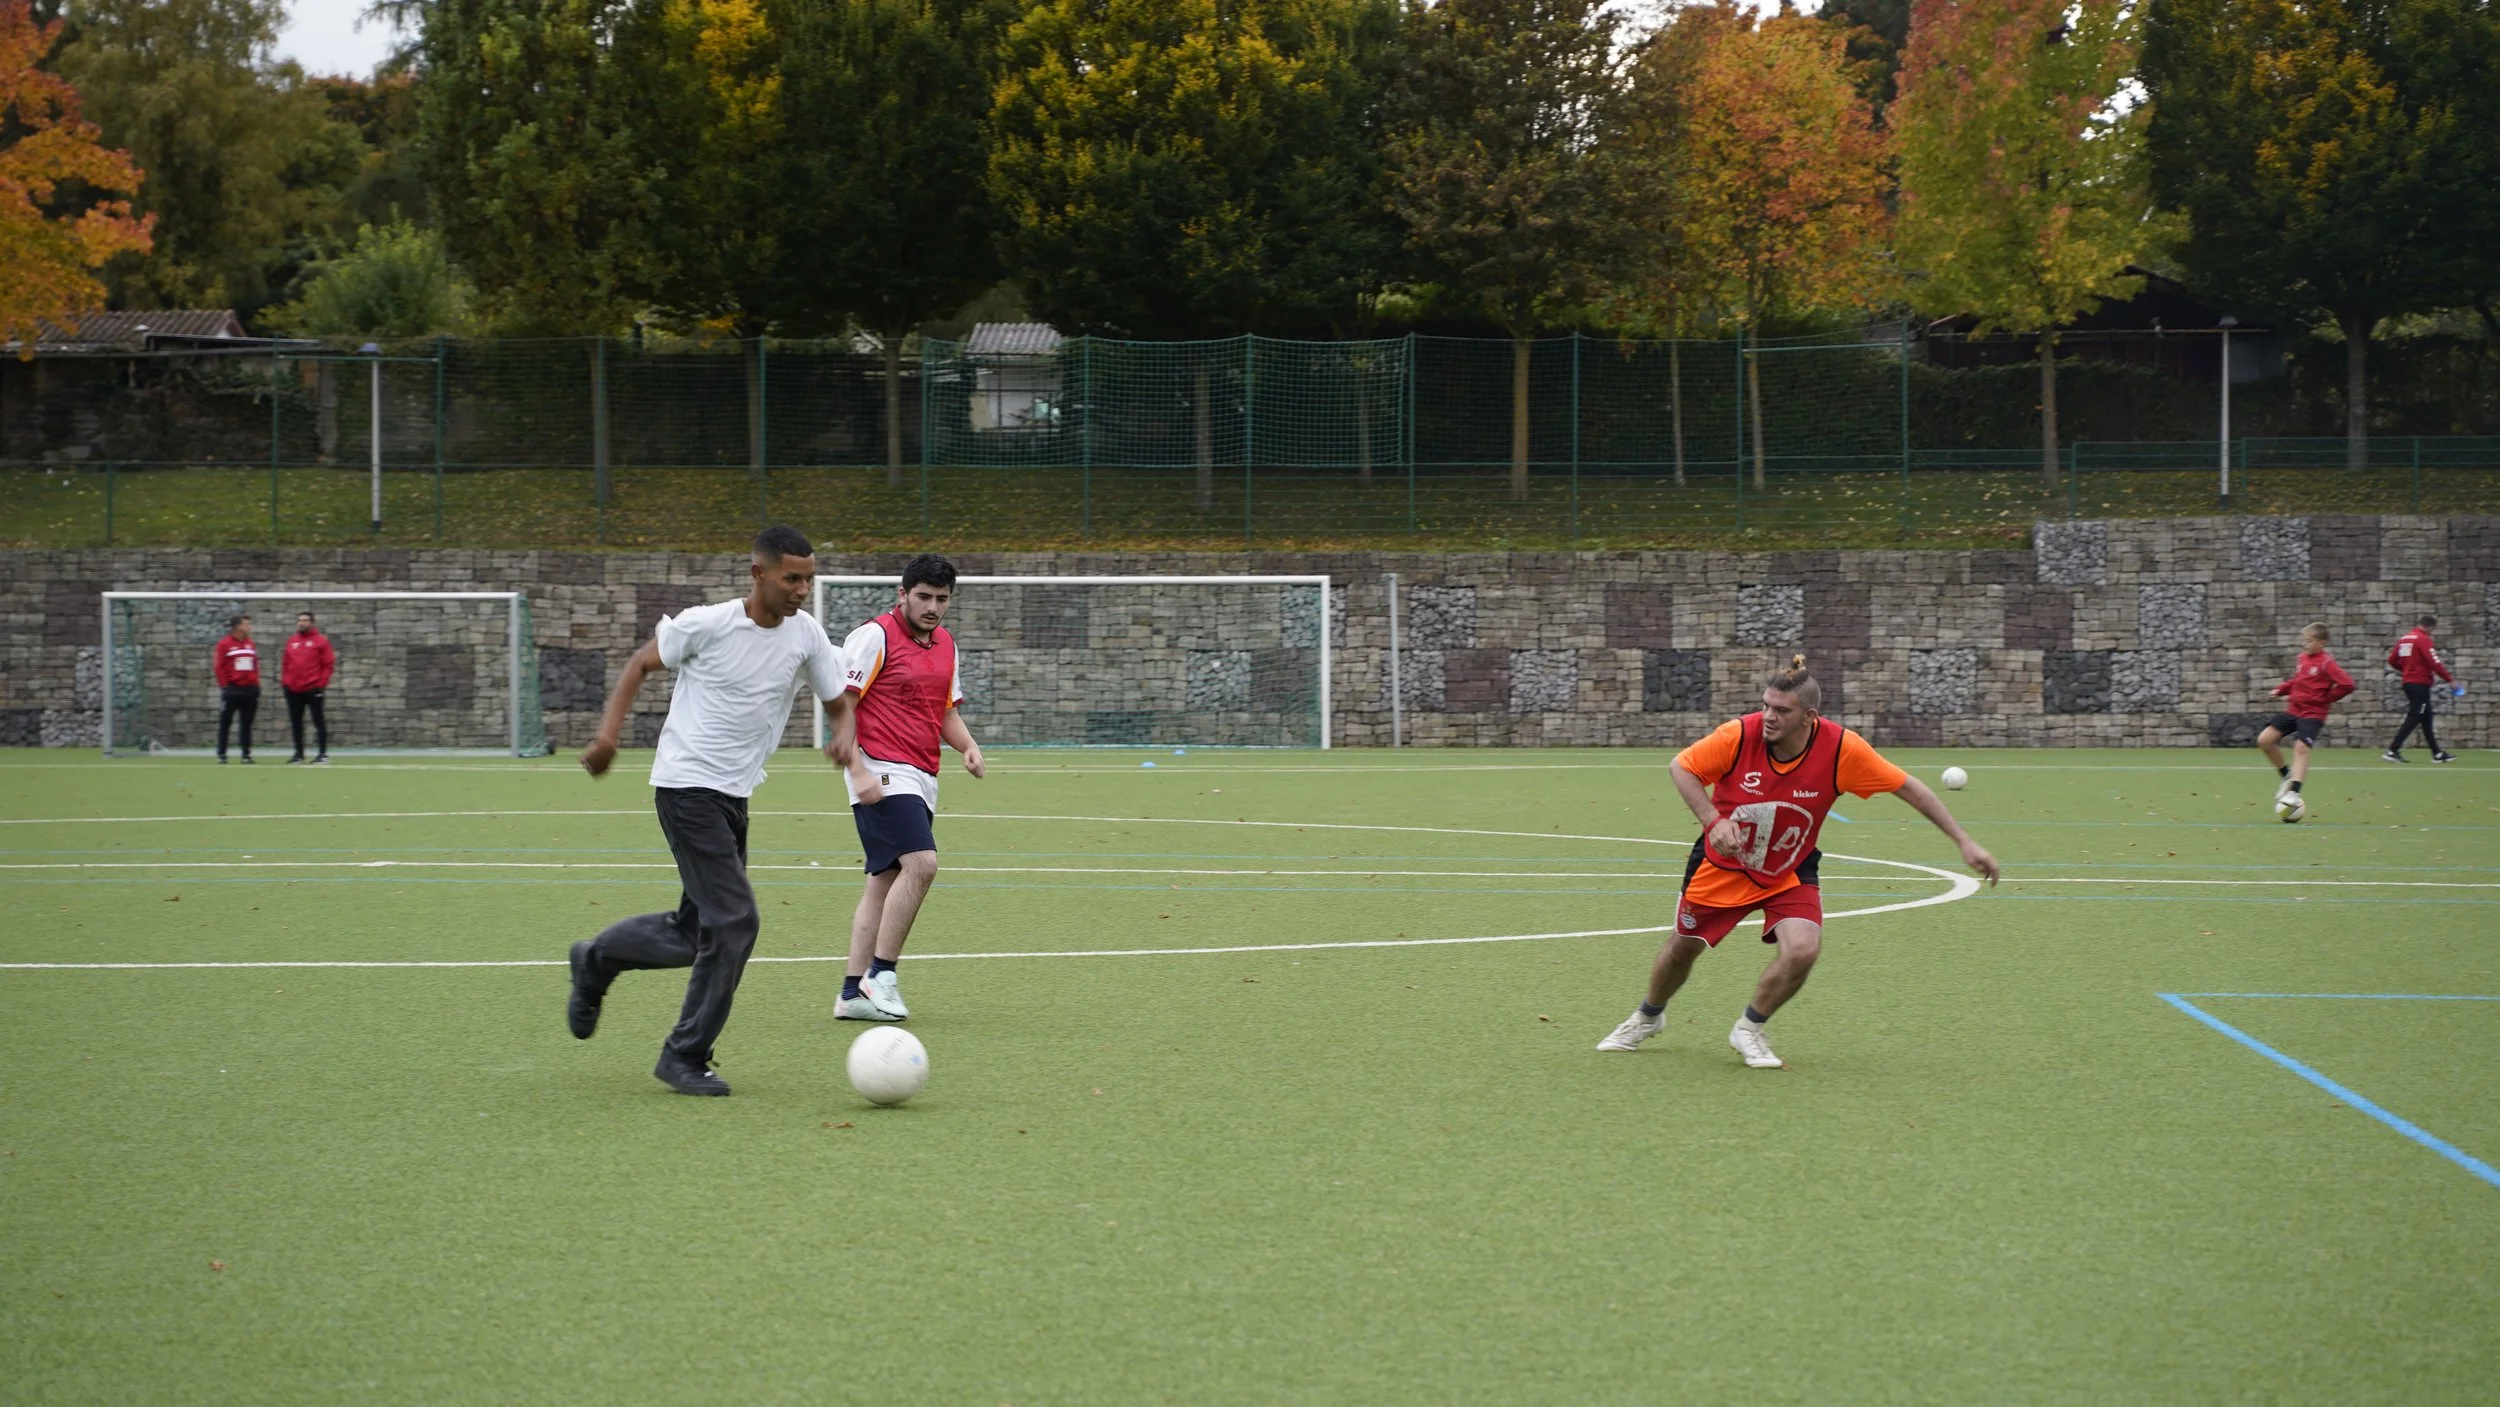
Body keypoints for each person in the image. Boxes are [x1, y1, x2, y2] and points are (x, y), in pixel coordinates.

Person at [1596, 654, 1999, 1069]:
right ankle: (1648, 1016)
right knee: (1683, 949)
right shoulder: (1738, 734)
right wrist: (1712, 820)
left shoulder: (1842, 749)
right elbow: (1682, 766)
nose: (1768, 716)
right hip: (1723, 865)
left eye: (1780, 710)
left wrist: (1965, 843)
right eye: (1766, 705)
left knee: (1803, 950)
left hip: (1790, 867)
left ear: (1809, 716)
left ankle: (1750, 1028)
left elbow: (1910, 788)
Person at [566, 525, 846, 1097]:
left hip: (733, 797)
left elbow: (839, 701)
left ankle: (596, 959)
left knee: (694, 932)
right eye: (792, 578)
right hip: (686, 787)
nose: (801, 590)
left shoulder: (807, 636)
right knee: (737, 920)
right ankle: (684, 1055)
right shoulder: (708, 624)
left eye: (809, 580)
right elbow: (639, 666)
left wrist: (845, 735)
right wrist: (608, 739)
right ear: (758, 574)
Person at [825, 553, 985, 1023]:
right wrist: (856, 769)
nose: (933, 607)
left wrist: (968, 747)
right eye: (923, 597)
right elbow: (843, 707)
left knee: (884, 883)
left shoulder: (946, 645)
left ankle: (853, 993)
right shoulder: (875, 636)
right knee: (922, 863)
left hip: (921, 775)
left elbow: (946, 712)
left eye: (942, 599)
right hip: (879, 768)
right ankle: (882, 974)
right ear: (902, 594)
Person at [2259, 621, 2355, 814]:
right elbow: (2297, 681)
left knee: (2301, 747)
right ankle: (2287, 776)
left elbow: (2348, 684)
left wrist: (2326, 698)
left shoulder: (2327, 663)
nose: (2305, 644)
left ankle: (2294, 793)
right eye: (2304, 640)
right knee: (2264, 740)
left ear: (2321, 643)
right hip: (2294, 710)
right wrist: (2282, 690)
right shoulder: (2302, 658)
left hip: (2313, 714)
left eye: (2309, 641)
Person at [2383, 614, 2457, 764]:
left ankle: (2437, 754)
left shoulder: (2405, 639)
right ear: (2430, 627)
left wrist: (2406, 670)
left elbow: (2392, 660)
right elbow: (2434, 662)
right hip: (2419, 683)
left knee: (2426, 717)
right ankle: (2393, 750)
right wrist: (2450, 680)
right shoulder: (2423, 639)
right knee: (2416, 715)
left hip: (2409, 682)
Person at [282, 610, 336, 764]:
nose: (301, 623)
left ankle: (322, 754)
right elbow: (286, 663)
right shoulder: (292, 641)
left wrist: (321, 684)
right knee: (296, 722)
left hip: (313, 689)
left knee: (318, 721)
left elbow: (328, 664)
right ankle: (298, 754)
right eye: (299, 620)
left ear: (312, 623)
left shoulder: (321, 641)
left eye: (305, 620)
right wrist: (286, 682)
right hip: (293, 689)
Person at [212, 614, 261, 763]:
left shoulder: (250, 643)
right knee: (225, 722)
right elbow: (218, 666)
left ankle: (246, 755)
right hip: (232, 689)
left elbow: (254, 665)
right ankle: (222, 754)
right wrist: (225, 686)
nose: (249, 627)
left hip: (250, 690)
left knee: (246, 723)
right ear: (237, 626)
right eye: (246, 624)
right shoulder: (224, 644)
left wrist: (256, 683)